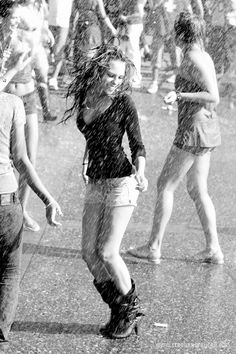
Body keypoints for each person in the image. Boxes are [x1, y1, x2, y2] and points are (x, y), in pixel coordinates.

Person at [64, 44, 148, 339]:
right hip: (95, 181)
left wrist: (141, 170)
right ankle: (118, 307)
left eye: (119, 77)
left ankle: (132, 307)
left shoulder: (124, 102)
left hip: (122, 182)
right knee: (88, 252)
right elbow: (91, 131)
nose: (115, 81)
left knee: (108, 252)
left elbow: (137, 144)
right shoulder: (85, 97)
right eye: (110, 75)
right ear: (100, 72)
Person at [128, 11, 224, 265]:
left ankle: (154, 246)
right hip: (205, 129)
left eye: (175, 32)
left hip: (193, 130)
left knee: (164, 185)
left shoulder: (193, 58)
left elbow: (214, 96)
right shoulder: (202, 55)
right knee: (197, 188)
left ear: (181, 34)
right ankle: (213, 248)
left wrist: (180, 96)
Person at [0, 51, 62, 350]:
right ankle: (1, 329)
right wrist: (47, 198)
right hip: (6, 202)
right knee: (9, 270)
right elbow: (22, 160)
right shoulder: (12, 104)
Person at [0, 0, 43, 232]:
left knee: (30, 159)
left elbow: (38, 50)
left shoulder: (28, 31)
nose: (17, 22)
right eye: (13, 19)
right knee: (7, 160)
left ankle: (22, 210)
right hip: (6, 102)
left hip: (28, 98)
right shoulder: (2, 38)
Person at [66, 0, 117, 70]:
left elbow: (73, 15)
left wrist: (71, 30)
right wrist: (112, 28)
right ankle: (89, 73)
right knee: (92, 55)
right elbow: (103, 16)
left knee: (81, 55)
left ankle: (82, 72)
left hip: (81, 27)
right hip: (92, 28)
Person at [119, 0, 147, 88]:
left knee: (133, 52)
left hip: (134, 25)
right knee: (124, 52)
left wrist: (126, 18)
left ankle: (135, 78)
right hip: (128, 25)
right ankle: (126, 76)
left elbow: (140, 14)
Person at [48, 0, 73, 90]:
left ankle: (53, 78)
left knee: (59, 50)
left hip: (63, 21)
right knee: (47, 49)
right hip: (50, 19)